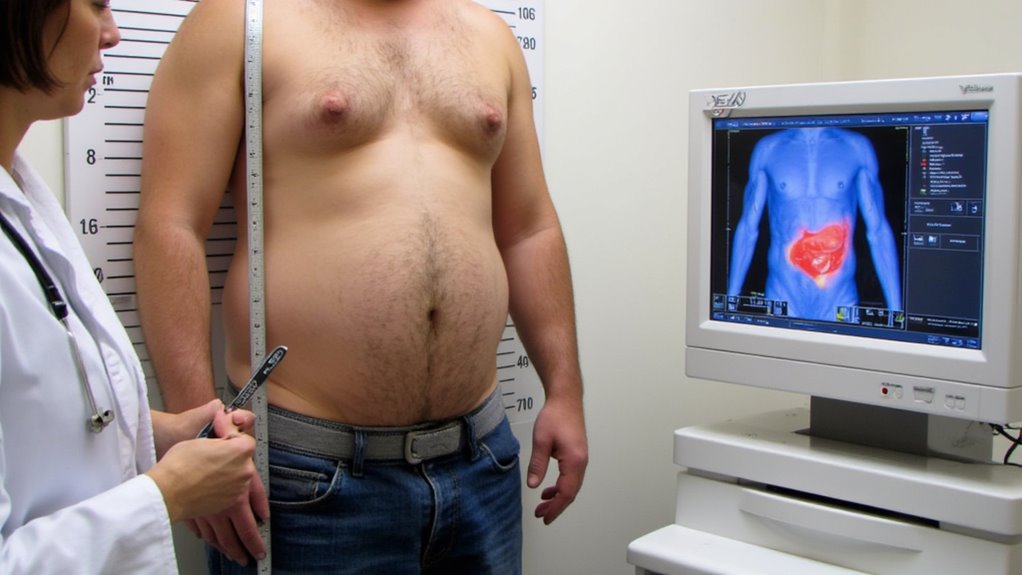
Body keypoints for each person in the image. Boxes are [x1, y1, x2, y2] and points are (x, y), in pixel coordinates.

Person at [134, 0, 588, 573]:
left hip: (481, 461)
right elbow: (171, 226)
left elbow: (529, 229)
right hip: (304, 478)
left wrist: (565, 393)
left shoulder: (490, 36)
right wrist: (199, 436)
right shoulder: (242, 21)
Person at [0, 1, 267, 573]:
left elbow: (30, 421)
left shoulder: (20, 196)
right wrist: (166, 495)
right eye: (96, 4)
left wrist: (158, 431)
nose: (114, 34)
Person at [727, 127, 902, 322]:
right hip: (783, 295)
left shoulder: (856, 147)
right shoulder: (769, 148)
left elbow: (878, 232)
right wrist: (728, 302)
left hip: (839, 300)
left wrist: (897, 314)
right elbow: (748, 228)